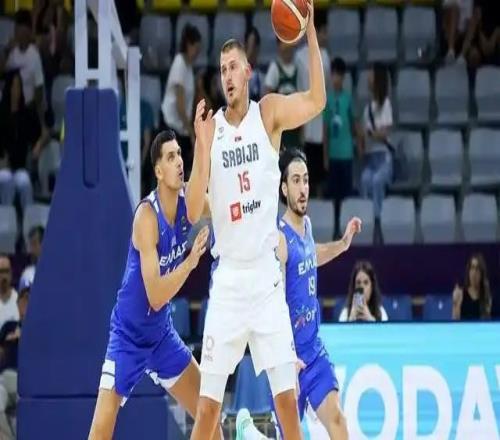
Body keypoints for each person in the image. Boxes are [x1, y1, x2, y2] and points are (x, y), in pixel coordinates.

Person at [189, 3, 327, 439]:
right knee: (207, 411)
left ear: (248, 72)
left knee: (287, 405)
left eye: (234, 67)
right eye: (222, 69)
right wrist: (200, 148)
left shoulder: (266, 114)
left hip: (267, 282)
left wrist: (309, 32)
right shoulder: (212, 130)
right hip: (229, 281)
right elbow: (193, 208)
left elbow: (317, 100)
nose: (227, 75)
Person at [88, 129, 221, 440]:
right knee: (100, 432)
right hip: (128, 336)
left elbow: (227, 210)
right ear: (159, 171)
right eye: (171, 157)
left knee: (210, 416)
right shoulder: (146, 217)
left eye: (180, 154)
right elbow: (157, 296)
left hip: (161, 336)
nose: (179, 162)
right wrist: (189, 262)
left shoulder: (190, 204)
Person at [295, 11, 331, 197]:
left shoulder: (325, 56)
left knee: (319, 177)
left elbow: (327, 89)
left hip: (320, 121)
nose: (326, 36)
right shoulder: (299, 57)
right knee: (303, 174)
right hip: (304, 120)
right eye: (324, 32)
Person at [323, 57, 359, 239]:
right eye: (334, 74)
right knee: (334, 195)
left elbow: (354, 125)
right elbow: (325, 130)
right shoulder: (327, 100)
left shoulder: (348, 99)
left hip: (346, 154)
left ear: (343, 77)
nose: (336, 78)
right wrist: (325, 156)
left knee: (346, 193)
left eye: (339, 75)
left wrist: (358, 143)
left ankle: (348, 230)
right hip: (333, 154)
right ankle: (335, 229)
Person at [161, 23, 201, 179]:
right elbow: (180, 105)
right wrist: (191, 133)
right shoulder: (179, 64)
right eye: (196, 48)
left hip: (181, 128)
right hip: (171, 127)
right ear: (188, 45)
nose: (197, 53)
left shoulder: (189, 68)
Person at [360, 64, 393, 240]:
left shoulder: (385, 105)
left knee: (377, 180)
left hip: (384, 157)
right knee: (365, 180)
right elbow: (365, 136)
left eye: (372, 75)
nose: (369, 78)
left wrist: (371, 133)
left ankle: (378, 221)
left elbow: (385, 132)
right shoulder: (367, 109)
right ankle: (366, 222)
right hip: (371, 157)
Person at [0, 70, 34, 212]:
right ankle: (6, 220)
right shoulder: (1, 113)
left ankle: (29, 221)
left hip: (20, 168)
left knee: (25, 182)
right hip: (3, 168)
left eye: (19, 86)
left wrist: (38, 146)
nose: (16, 90)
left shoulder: (26, 114)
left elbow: (43, 132)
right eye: (14, 86)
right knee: (6, 179)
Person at [264, 39, 300, 150]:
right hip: (279, 132)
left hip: (295, 130)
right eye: (284, 45)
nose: (287, 49)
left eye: (289, 44)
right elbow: (266, 102)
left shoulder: (298, 68)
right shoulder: (274, 68)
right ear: (279, 47)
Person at [452, 253, 491, 320]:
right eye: (472, 268)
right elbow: (455, 322)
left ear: (482, 273)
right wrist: (456, 304)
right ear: (469, 271)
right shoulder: (461, 294)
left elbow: (488, 323)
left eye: (477, 269)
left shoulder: (486, 297)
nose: (474, 272)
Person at [245, 27, 265, 102]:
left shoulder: (263, 73)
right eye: (249, 47)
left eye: (253, 46)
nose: (251, 51)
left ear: (258, 48)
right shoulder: (238, 72)